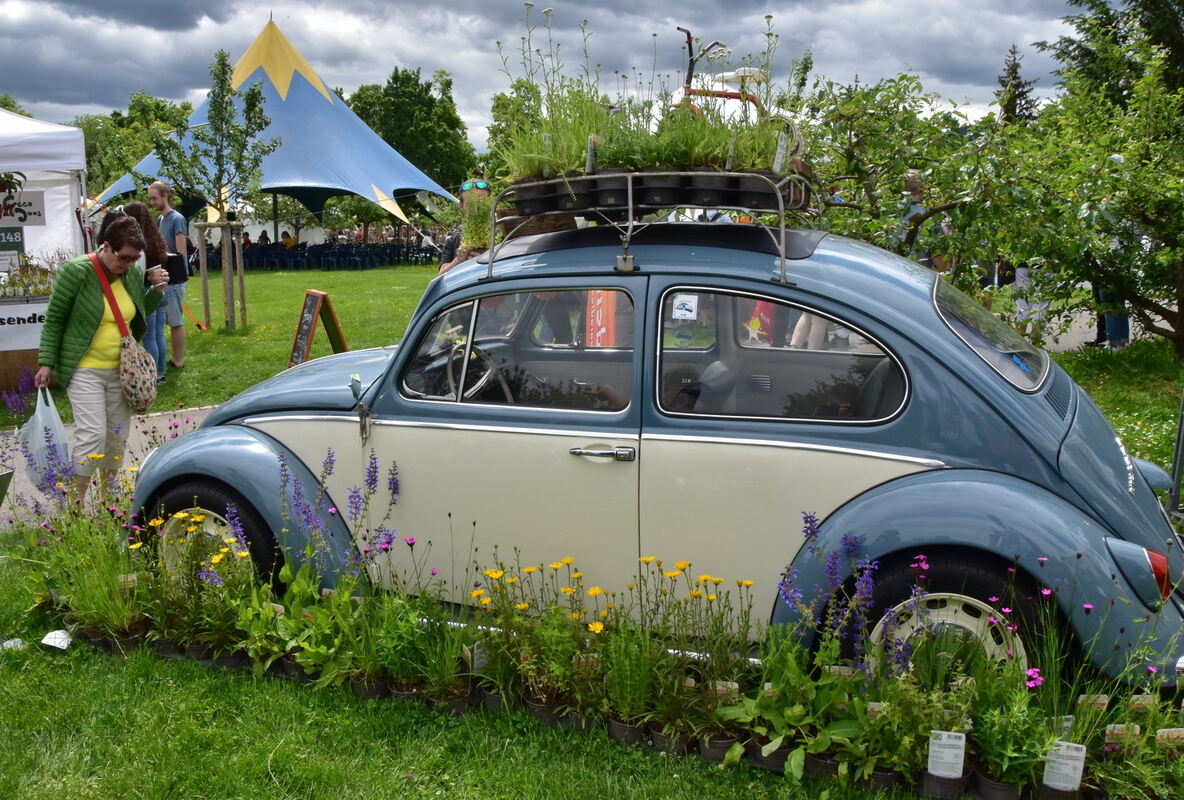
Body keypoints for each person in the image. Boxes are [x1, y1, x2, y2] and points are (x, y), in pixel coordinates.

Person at [35, 215, 167, 501]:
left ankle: (109, 502)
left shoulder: (130, 274)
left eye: (135, 259)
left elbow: (135, 314)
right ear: (106, 246)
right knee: (93, 435)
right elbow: (55, 319)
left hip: (121, 372)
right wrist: (46, 362)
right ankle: (75, 504)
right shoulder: (77, 271)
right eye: (125, 257)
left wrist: (156, 291)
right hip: (84, 369)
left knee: (116, 438)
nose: (129, 264)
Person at [121, 202, 171, 382]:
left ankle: (153, 374)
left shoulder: (138, 243)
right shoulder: (156, 238)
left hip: (146, 290)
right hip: (161, 288)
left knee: (150, 336)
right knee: (158, 334)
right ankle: (161, 371)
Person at [147, 181, 189, 370]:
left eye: (154, 198)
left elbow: (180, 252)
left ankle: (178, 359)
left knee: (175, 321)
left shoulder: (176, 218)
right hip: (162, 277)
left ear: (165, 196)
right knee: (164, 321)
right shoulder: (159, 220)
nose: (152, 202)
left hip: (174, 277)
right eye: (150, 199)